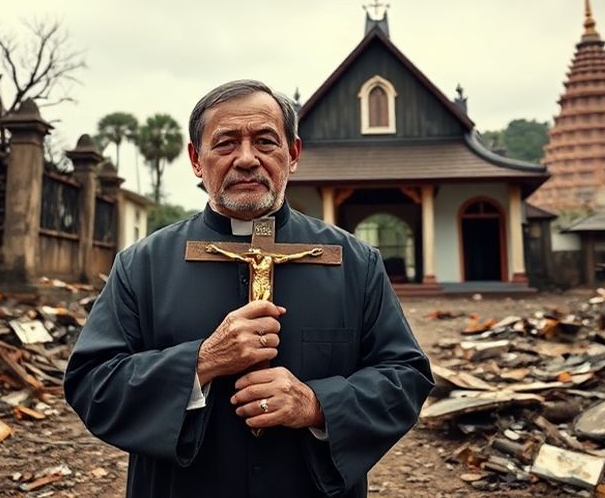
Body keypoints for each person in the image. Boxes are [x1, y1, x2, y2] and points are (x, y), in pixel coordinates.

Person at [63, 79, 433, 497]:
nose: (246, 159)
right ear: (196, 160)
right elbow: (92, 384)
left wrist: (315, 404)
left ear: (293, 154)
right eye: (224, 143)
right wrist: (200, 363)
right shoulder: (143, 264)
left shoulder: (353, 262)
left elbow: (405, 378)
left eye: (265, 141)